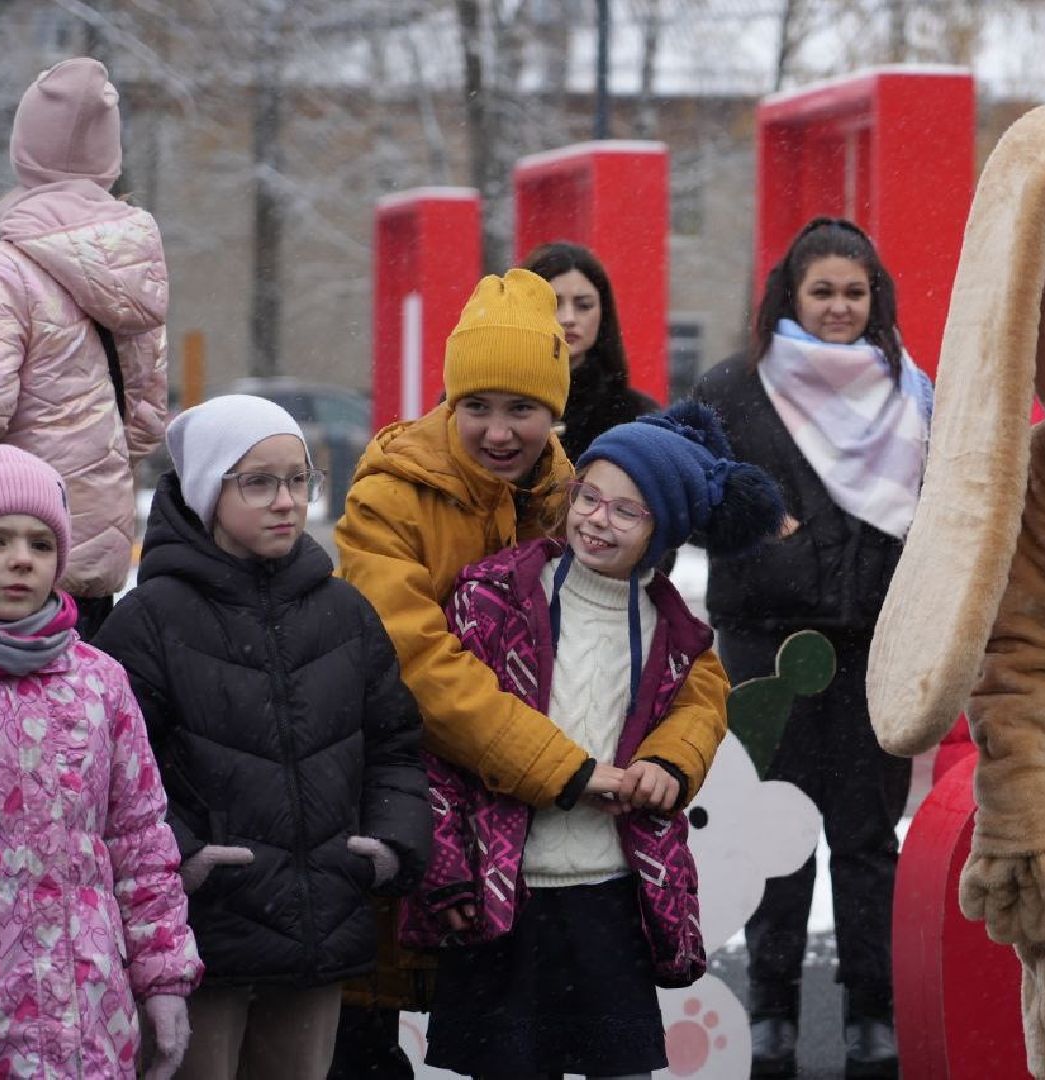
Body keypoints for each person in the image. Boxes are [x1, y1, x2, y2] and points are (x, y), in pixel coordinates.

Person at [329, 268, 733, 1077]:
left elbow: (686, 665)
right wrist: (560, 768)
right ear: (449, 401)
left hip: (531, 847)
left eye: (522, 407)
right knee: (369, 1028)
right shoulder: (389, 499)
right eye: (476, 405)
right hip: (406, 794)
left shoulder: (567, 497)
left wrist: (670, 757)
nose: (498, 430)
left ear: (556, 410)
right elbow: (416, 663)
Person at [407, 402, 780, 1079]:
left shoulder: (675, 634)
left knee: (620, 1065)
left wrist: (668, 764)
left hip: (611, 896)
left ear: (663, 530)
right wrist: (446, 870)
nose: (598, 519)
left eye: (626, 511)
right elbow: (444, 747)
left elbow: (698, 710)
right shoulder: (495, 598)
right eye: (589, 496)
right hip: (505, 891)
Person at [95, 396, 430, 1079]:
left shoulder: (344, 611)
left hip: (319, 925)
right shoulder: (148, 622)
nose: (286, 501)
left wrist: (388, 844)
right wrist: (187, 860)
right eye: (258, 482)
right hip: (200, 934)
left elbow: (394, 746)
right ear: (206, 491)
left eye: (299, 479)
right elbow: (116, 777)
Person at [692, 217, 931, 1079]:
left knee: (866, 839)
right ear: (789, 296)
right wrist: (755, 525)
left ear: (876, 299)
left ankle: (872, 1015)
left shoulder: (912, 391)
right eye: (821, 291)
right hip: (766, 647)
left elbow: (944, 507)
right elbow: (690, 497)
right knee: (777, 834)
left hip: (876, 647)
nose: (838, 307)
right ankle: (772, 1015)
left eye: (853, 293)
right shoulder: (731, 389)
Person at [0, 444, 200, 1077]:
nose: (21, 559)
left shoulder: (99, 681)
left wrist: (163, 977)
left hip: (89, 1012)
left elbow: (140, 841)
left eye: (41, 544)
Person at [0, 58, 170, 640]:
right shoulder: (136, 269)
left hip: (5, 547)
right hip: (94, 552)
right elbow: (146, 418)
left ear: (24, 151)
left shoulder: (4, 267)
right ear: (109, 159)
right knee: (80, 687)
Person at [522, 241, 658, 462]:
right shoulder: (486, 400)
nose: (568, 318)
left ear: (603, 313)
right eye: (552, 304)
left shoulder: (635, 416)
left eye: (583, 305)